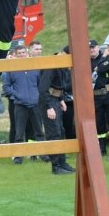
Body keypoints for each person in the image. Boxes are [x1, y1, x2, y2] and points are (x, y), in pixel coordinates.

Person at [39, 45, 76, 174]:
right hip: (48, 102)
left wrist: (60, 100)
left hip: (55, 100)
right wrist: (49, 107)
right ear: (63, 54)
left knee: (60, 131)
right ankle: (56, 166)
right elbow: (43, 88)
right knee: (53, 133)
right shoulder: (51, 64)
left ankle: (62, 162)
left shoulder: (61, 65)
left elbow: (58, 86)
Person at [2, 58, 43, 164]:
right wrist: (18, 95)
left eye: (23, 53)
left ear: (27, 54)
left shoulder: (35, 68)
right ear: (15, 55)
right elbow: (6, 87)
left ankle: (44, 154)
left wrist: (37, 96)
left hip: (35, 104)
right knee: (19, 132)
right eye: (19, 53)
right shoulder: (11, 70)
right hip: (20, 105)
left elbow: (40, 85)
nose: (21, 55)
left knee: (39, 131)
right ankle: (18, 157)